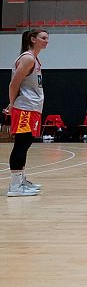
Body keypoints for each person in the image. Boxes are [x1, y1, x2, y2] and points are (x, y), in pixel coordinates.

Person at [5, 29, 48, 197]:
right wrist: (12, 104)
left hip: (32, 107)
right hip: (24, 107)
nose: (46, 41)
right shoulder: (27, 58)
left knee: (26, 144)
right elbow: (13, 84)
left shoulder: (34, 59)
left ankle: (21, 180)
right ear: (33, 39)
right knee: (21, 144)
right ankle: (15, 186)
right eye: (43, 38)